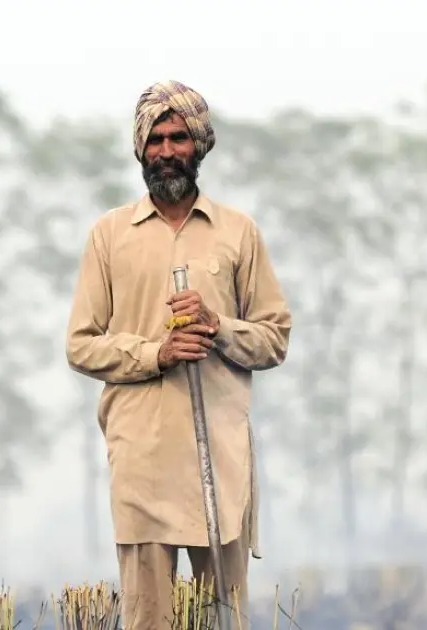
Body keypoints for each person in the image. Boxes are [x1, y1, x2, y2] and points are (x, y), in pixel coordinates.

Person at [64, 79, 293, 630]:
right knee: (149, 622)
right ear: (141, 149)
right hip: (142, 461)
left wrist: (218, 328)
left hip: (220, 460)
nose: (167, 151)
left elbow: (275, 337)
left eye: (179, 138)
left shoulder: (238, 232)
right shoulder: (109, 235)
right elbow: (81, 344)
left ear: (200, 145)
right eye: (157, 140)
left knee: (223, 621)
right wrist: (156, 353)